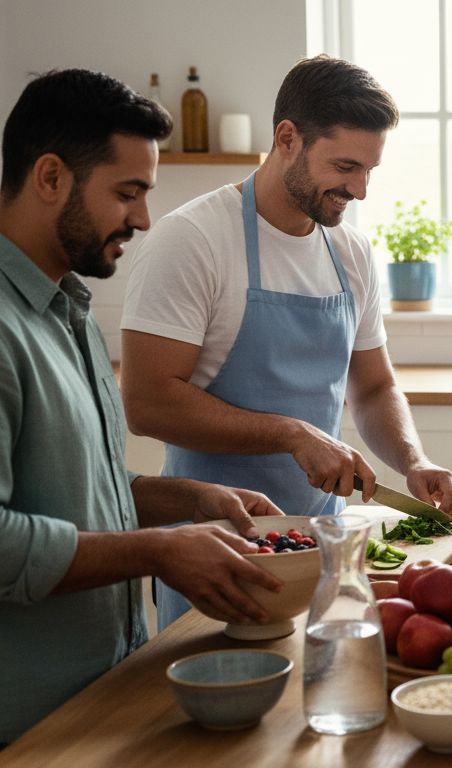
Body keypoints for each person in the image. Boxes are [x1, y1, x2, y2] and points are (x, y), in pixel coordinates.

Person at [118, 56, 452, 630]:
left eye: (369, 170)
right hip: (217, 551)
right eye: (346, 166)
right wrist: (291, 433)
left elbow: (375, 386)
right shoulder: (194, 240)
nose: (359, 189)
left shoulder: (349, 253)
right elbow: (147, 403)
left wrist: (413, 461)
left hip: (321, 547)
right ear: (287, 138)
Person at [0, 69, 285, 745]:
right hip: (24, 730)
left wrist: (188, 499)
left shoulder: (64, 309)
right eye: (127, 193)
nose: (144, 218)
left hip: (102, 697)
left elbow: (76, 490)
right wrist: (156, 551)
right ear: (49, 178)